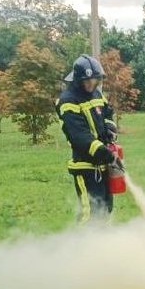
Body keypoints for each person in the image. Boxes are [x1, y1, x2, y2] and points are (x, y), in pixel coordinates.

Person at [56, 55, 120, 222]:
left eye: (95, 80)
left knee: (106, 210)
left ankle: (103, 246)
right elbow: (79, 136)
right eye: (88, 81)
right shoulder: (68, 101)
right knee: (90, 213)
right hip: (85, 166)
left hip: (104, 164)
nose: (92, 84)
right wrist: (102, 152)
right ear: (78, 80)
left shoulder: (96, 94)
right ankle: (82, 246)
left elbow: (107, 113)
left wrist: (110, 128)